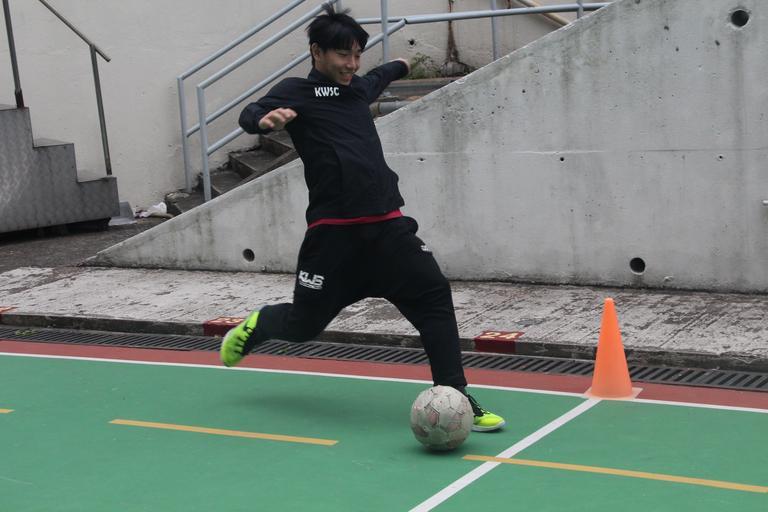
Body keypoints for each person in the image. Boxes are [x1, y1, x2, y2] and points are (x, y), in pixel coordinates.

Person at [221, 3, 505, 432]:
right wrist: (263, 121)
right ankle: (258, 325)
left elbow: (380, 76)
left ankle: (456, 397)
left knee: (433, 297)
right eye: (343, 55)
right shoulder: (296, 91)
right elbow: (249, 114)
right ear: (317, 52)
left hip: (388, 230)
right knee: (302, 325)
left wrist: (402, 63)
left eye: (357, 54)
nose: (352, 64)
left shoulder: (357, 88)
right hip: (334, 239)